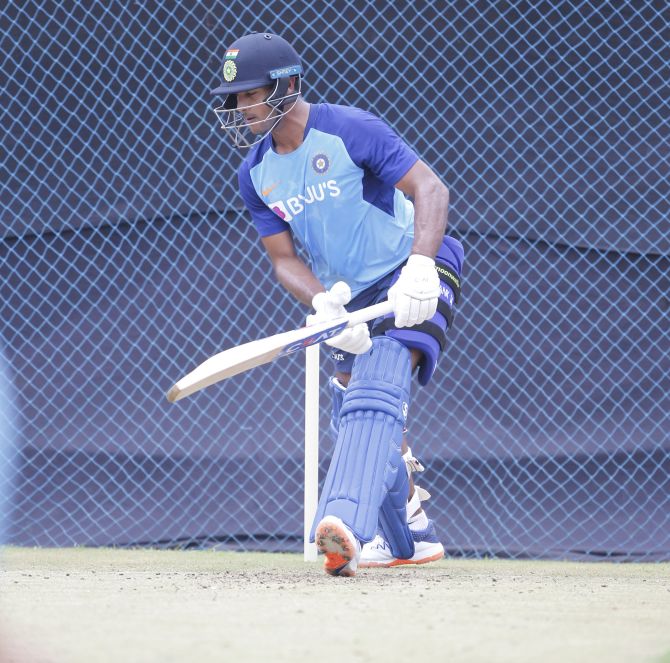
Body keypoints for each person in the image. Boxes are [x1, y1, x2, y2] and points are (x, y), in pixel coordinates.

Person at [211, 32, 464, 577]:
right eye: (236, 97)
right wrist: (326, 304)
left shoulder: (349, 129)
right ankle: (411, 535)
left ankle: (345, 524)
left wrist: (420, 264)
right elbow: (282, 259)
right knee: (355, 410)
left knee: (378, 387)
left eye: (252, 94)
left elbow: (431, 189)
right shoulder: (255, 173)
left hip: (416, 264)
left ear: (288, 85)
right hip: (353, 298)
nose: (242, 107)